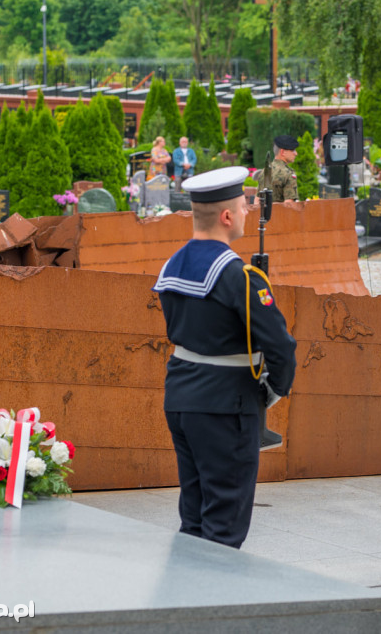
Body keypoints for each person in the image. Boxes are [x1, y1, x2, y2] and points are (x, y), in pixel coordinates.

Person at [152, 167, 297, 549]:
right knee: (224, 525)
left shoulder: (173, 264)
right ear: (227, 216)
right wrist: (273, 391)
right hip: (225, 405)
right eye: (245, 205)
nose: (250, 210)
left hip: (181, 395)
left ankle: (183, 602)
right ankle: (214, 606)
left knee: (195, 517)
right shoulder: (237, 275)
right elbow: (281, 346)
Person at [257, 134, 298, 203]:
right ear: (283, 152)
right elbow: (289, 205)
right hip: (281, 213)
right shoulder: (288, 174)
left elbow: (257, 201)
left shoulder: (264, 171)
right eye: (292, 150)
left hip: (263, 213)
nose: (296, 153)